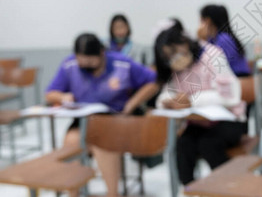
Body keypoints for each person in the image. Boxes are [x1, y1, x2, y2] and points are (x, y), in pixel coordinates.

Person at [46, 33, 159, 196]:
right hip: (84, 120)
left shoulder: (122, 64)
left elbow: (153, 82)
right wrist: (63, 96)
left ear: (102, 53)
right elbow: (49, 93)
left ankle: (112, 193)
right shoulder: (69, 65)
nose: (87, 68)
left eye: (91, 63)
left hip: (115, 120)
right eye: (82, 64)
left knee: (103, 142)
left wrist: (131, 104)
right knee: (71, 141)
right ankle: (74, 193)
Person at [154, 20, 246, 185]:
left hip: (228, 119)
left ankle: (227, 188)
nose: (174, 59)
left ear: (184, 42)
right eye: (168, 57)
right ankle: (190, 189)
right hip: (198, 123)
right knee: (182, 146)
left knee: (208, 144)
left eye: (175, 52)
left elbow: (229, 95)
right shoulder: (177, 68)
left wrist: (191, 101)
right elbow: (166, 94)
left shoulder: (212, 55)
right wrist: (168, 102)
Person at [198, 5, 251, 76]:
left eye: (202, 20)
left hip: (239, 77)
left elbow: (215, 64)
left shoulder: (223, 39)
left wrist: (202, 40)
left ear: (208, 21)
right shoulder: (212, 39)